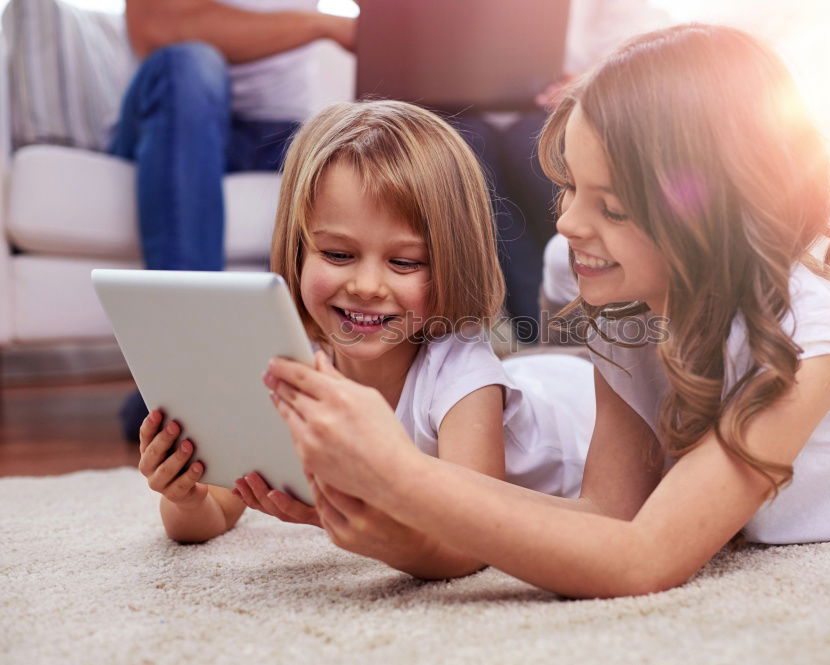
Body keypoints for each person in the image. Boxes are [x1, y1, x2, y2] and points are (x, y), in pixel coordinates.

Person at [264, 25, 830, 599]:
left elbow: (646, 557)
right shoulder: (617, 299)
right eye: (569, 188)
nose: (572, 225)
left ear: (704, 216)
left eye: (610, 206)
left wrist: (401, 477)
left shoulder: (813, 344)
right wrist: (399, 518)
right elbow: (609, 518)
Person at [135, 100, 595, 580]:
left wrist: (371, 538)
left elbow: (470, 545)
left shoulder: (463, 375)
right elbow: (218, 509)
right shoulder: (295, 366)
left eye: (404, 263)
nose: (367, 286)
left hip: (578, 412)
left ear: (452, 264)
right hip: (534, 376)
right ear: (297, 247)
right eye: (337, 254)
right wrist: (184, 496)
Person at [111, 0, 355, 442]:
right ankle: (182, 375)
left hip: (277, 131)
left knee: (341, 142)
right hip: (171, 116)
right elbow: (156, 27)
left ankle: (292, 376)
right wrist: (322, 24)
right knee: (189, 63)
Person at [448, 0, 670, 345]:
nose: (567, 223)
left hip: (561, 103)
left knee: (526, 147)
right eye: (570, 189)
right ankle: (539, 334)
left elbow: (651, 39)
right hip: (465, 109)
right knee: (468, 155)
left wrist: (598, 76)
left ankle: (555, 331)